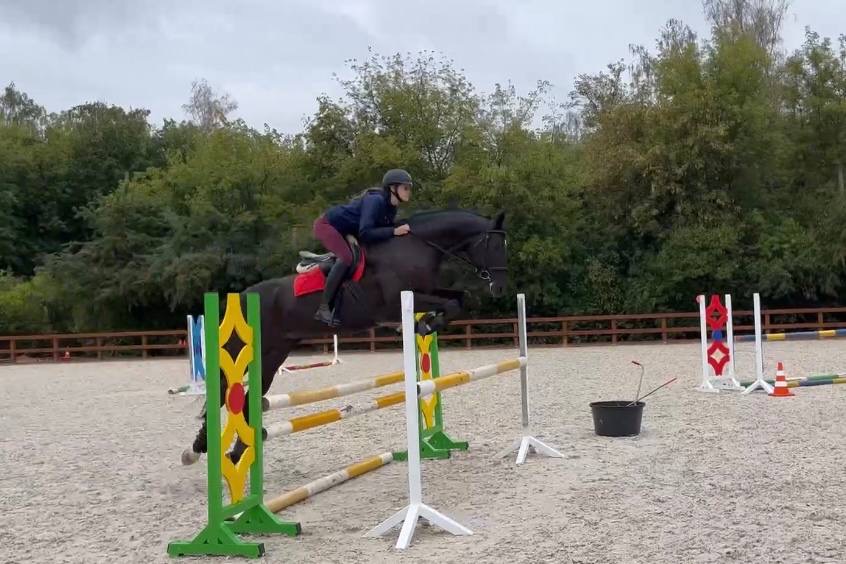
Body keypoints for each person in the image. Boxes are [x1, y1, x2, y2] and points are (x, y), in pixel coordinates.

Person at [311, 169, 413, 326]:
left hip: (346, 231)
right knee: (346, 258)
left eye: (409, 188)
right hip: (327, 226)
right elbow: (366, 232)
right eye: (405, 187)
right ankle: (323, 307)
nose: (408, 191)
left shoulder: (391, 207)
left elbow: (377, 231)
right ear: (393, 188)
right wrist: (394, 231)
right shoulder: (375, 200)